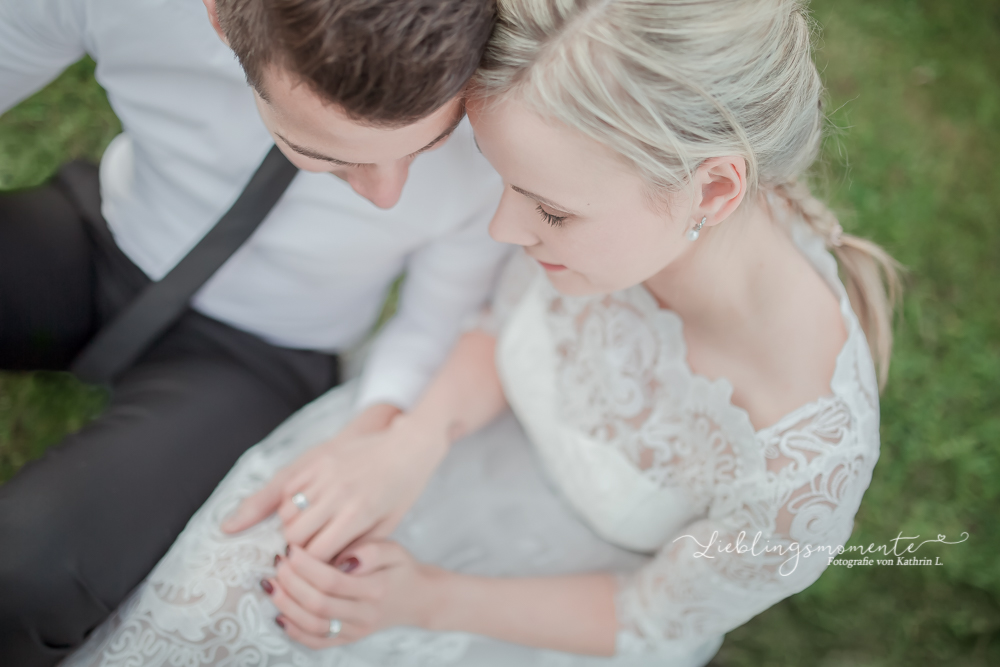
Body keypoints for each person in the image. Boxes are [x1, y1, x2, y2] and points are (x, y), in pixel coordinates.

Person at [62, 0, 902, 665]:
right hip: (457, 429)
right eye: (505, 184)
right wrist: (412, 438)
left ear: (713, 193)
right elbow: (498, 322)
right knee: (227, 599)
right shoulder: (614, 229)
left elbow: (653, 620)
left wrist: (422, 600)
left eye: (549, 209)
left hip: (540, 608)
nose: (502, 230)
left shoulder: (805, 466)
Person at [0, 0, 509, 664]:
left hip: (257, 360)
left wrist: (381, 426)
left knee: (30, 573)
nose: (388, 193)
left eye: (427, 144)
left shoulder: (499, 116)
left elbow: (441, 313)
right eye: (322, 151)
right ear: (218, 19)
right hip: (104, 233)